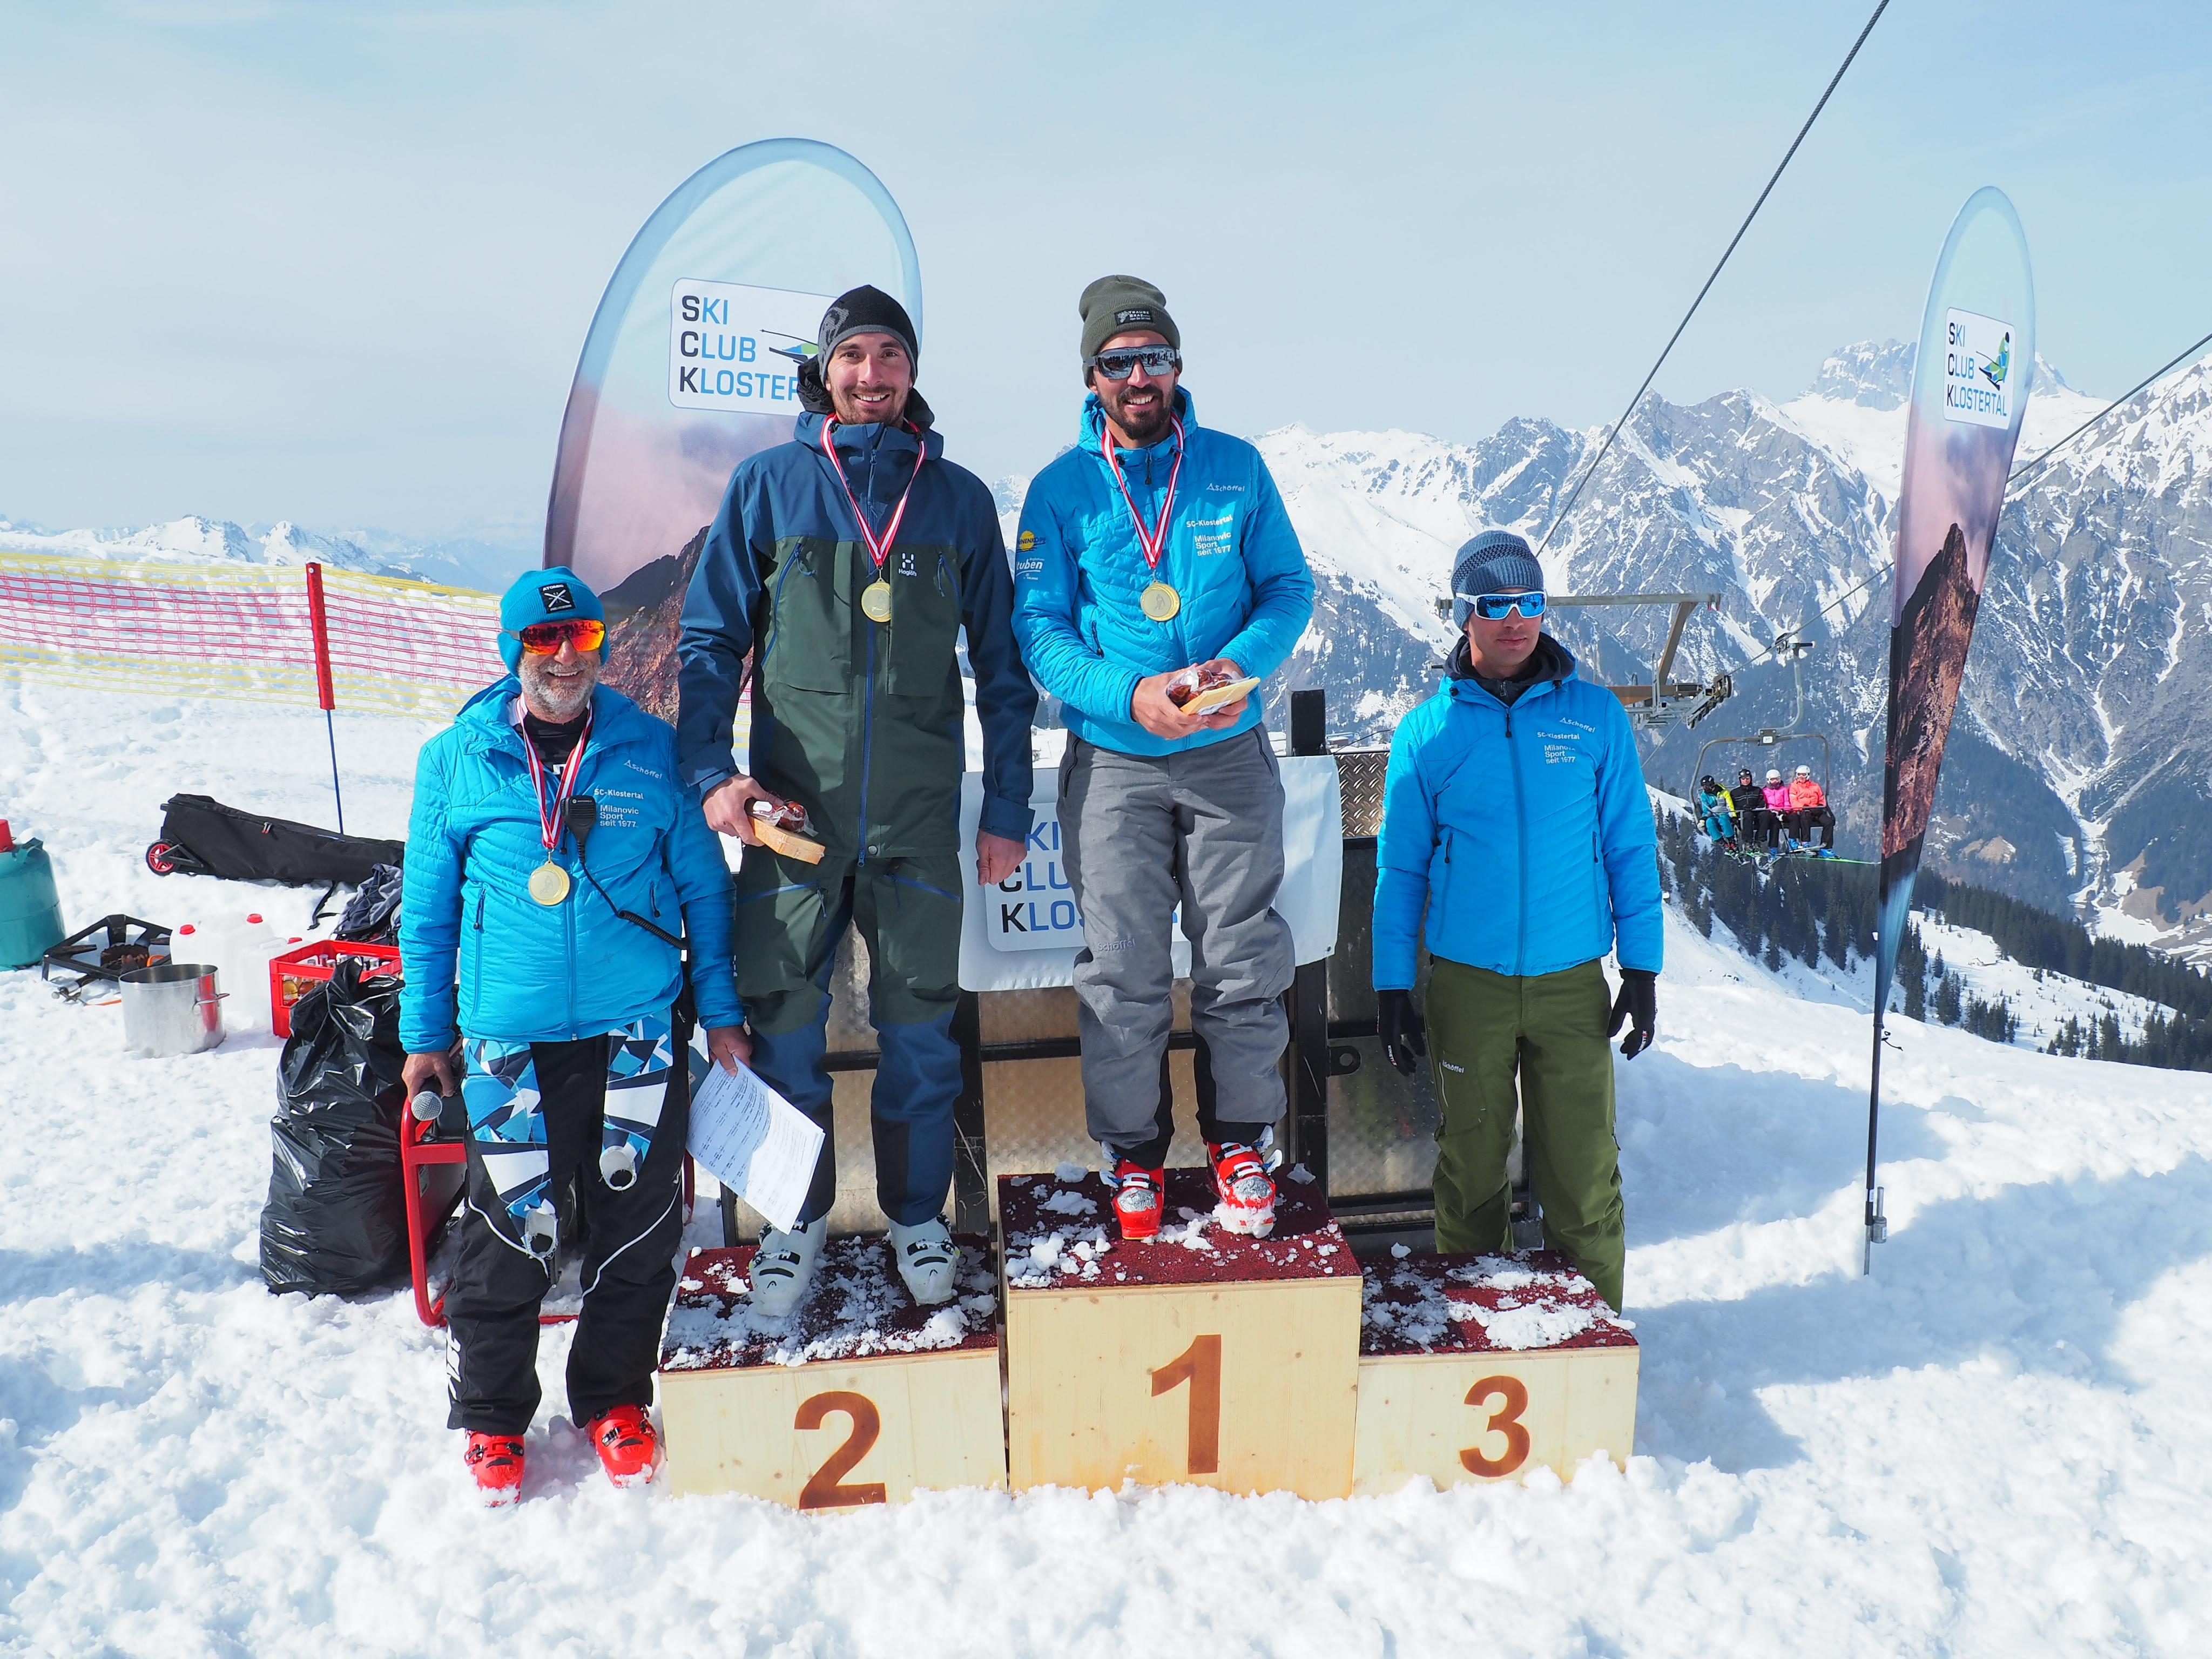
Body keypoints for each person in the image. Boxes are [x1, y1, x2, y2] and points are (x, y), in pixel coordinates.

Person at [676, 285, 1036, 1316]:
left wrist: (1007, 805)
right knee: (784, 1027)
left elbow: (1003, 665)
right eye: (854, 356)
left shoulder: (956, 499)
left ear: (912, 372)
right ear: (823, 371)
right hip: (793, 822)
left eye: (891, 355)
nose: (872, 374)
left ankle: (919, 1216)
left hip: (917, 822)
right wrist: (712, 775)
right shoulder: (769, 486)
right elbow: (709, 642)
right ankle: (794, 1221)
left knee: (920, 1033)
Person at [400, 567, 746, 1507]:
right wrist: (425, 1033)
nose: (563, 656)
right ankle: (492, 1416)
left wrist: (719, 1012)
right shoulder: (456, 758)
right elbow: (427, 909)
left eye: (582, 637)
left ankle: (614, 1397)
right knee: (510, 1227)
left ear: (601, 646)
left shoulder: (651, 749)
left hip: (635, 1029)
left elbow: (704, 891)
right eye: (543, 639)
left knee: (639, 1226)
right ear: (511, 649)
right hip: (508, 1038)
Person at [1012, 275, 1315, 1243]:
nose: (1138, 376)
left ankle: (1239, 1142)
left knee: (1241, 957)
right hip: (1114, 763)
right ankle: (1134, 1154)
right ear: (1091, 376)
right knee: (1123, 969)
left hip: (1228, 752)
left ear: (1178, 366)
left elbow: (1288, 589)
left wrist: (1240, 663)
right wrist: (1127, 694)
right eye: (1118, 362)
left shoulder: (1235, 468)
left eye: (1154, 357)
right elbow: (1040, 629)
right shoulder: (1058, 490)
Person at [1370, 530, 1660, 1311]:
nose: (1516, 620)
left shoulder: (1595, 717)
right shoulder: (1427, 733)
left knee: (1583, 1177)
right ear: (1463, 613)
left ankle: (1594, 1342)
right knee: (1470, 1174)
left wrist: (1641, 967)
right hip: (1469, 986)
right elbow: (1401, 870)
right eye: (1495, 605)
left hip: (1571, 984)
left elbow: (1630, 846)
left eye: (1530, 602)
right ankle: (1474, 1336)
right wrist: (1392, 986)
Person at [1786, 763, 1836, 854]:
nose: (1801, 777)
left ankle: (1826, 847)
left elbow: (1822, 800)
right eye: (1799, 775)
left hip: (1815, 810)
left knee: (1829, 822)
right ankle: (1805, 843)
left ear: (1808, 775)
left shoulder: (1815, 786)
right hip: (1803, 810)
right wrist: (1804, 807)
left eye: (1804, 775)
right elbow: (1793, 802)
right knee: (1806, 817)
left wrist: (1819, 807)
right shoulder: (1794, 787)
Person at [1729, 766, 1775, 853]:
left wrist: (1753, 807)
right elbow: (1733, 807)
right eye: (1743, 779)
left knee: (1765, 814)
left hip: (1755, 811)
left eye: (1747, 778)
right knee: (1748, 815)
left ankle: (1759, 840)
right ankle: (1748, 842)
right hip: (1743, 814)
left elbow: (1762, 804)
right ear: (1740, 780)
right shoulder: (1735, 793)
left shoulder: (1757, 790)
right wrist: (1743, 808)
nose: (1746, 781)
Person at [1695, 775, 1738, 851]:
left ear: (1711, 785)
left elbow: (1730, 805)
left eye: (1707, 786)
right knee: (1709, 822)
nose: (1705, 789)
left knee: (1723, 820)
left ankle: (1732, 841)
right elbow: (1706, 810)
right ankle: (1723, 843)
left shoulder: (1723, 792)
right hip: (1714, 815)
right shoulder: (1704, 796)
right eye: (1704, 787)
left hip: (1725, 813)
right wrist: (1703, 819)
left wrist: (1733, 816)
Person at [1762, 768, 1793, 849]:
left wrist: (1785, 812)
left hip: (1782, 812)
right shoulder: (1765, 791)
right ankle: (1773, 849)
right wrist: (1770, 811)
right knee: (1775, 825)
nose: (1775, 782)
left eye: (1777, 779)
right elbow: (1764, 804)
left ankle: (1793, 843)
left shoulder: (1783, 790)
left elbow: (1787, 802)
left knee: (1793, 818)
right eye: (1772, 780)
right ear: (1768, 780)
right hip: (1771, 813)